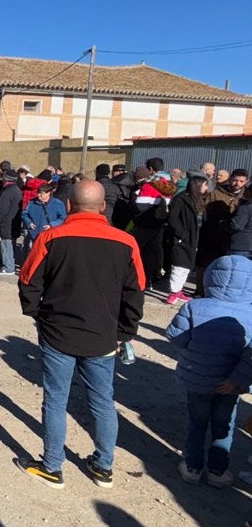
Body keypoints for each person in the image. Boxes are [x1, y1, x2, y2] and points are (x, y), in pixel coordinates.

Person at [17, 181, 145, 489]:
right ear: (103, 207)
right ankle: (103, 466)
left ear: (70, 206)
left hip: (57, 333)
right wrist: (125, 331)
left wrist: (38, 315)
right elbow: (136, 291)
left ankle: (52, 465)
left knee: (56, 399)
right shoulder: (126, 242)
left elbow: (28, 281)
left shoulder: (51, 237)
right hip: (103, 336)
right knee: (102, 400)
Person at [167, 255, 252, 488]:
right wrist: (236, 381)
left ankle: (192, 467)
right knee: (224, 425)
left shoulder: (194, 306)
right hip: (230, 385)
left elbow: (175, 337)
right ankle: (217, 471)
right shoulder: (250, 314)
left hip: (198, 377)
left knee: (197, 422)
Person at [166, 170, 209, 305]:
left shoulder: (199, 200)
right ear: (198, 186)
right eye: (204, 185)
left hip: (194, 238)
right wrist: (181, 234)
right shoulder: (181, 199)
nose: (206, 188)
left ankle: (178, 290)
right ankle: (173, 292)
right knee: (179, 266)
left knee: (186, 267)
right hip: (183, 238)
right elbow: (172, 219)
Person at [21, 183, 66, 255]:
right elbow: (24, 214)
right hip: (33, 235)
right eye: (38, 193)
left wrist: (51, 225)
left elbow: (63, 218)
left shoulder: (58, 204)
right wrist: (29, 222)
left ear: (48, 193)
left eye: (41, 194)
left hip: (49, 236)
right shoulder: (32, 202)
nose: (38, 195)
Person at [0, 168, 22, 275]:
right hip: (14, 222)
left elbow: (1, 209)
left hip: (6, 223)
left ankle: (8, 267)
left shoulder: (8, 192)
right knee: (11, 245)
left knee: (6, 245)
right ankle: (10, 265)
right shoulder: (17, 190)